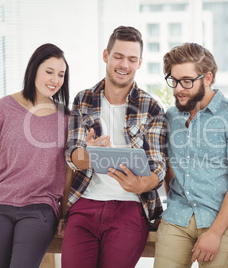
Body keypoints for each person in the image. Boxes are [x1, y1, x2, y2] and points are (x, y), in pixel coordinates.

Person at [61, 25, 167, 268]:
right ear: (106, 56)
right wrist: (89, 154)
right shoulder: (83, 99)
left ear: (139, 63)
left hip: (129, 207)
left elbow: (158, 166)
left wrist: (142, 183)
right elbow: (73, 156)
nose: (124, 65)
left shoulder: (151, 108)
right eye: (118, 56)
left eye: (132, 59)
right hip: (85, 203)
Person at [0, 43, 71, 268]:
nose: (55, 80)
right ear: (33, 70)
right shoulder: (2, 109)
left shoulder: (66, 119)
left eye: (61, 75)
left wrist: (63, 214)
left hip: (39, 206)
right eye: (49, 72)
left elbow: (70, 169)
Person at [154, 43, 228, 268]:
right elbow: (170, 168)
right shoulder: (171, 117)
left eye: (187, 81)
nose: (178, 88)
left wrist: (215, 233)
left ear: (207, 77)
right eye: (174, 80)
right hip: (178, 218)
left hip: (224, 221)